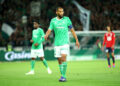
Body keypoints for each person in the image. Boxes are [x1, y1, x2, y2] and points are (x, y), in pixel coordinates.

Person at [45, 7, 80, 82]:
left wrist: (76, 40)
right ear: (56, 12)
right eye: (60, 12)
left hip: (65, 43)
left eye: (62, 11)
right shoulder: (53, 21)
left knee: (64, 57)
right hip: (57, 44)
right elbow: (49, 30)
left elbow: (72, 30)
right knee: (59, 60)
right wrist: (46, 35)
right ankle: (62, 75)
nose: (61, 13)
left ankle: (63, 76)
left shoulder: (67, 19)